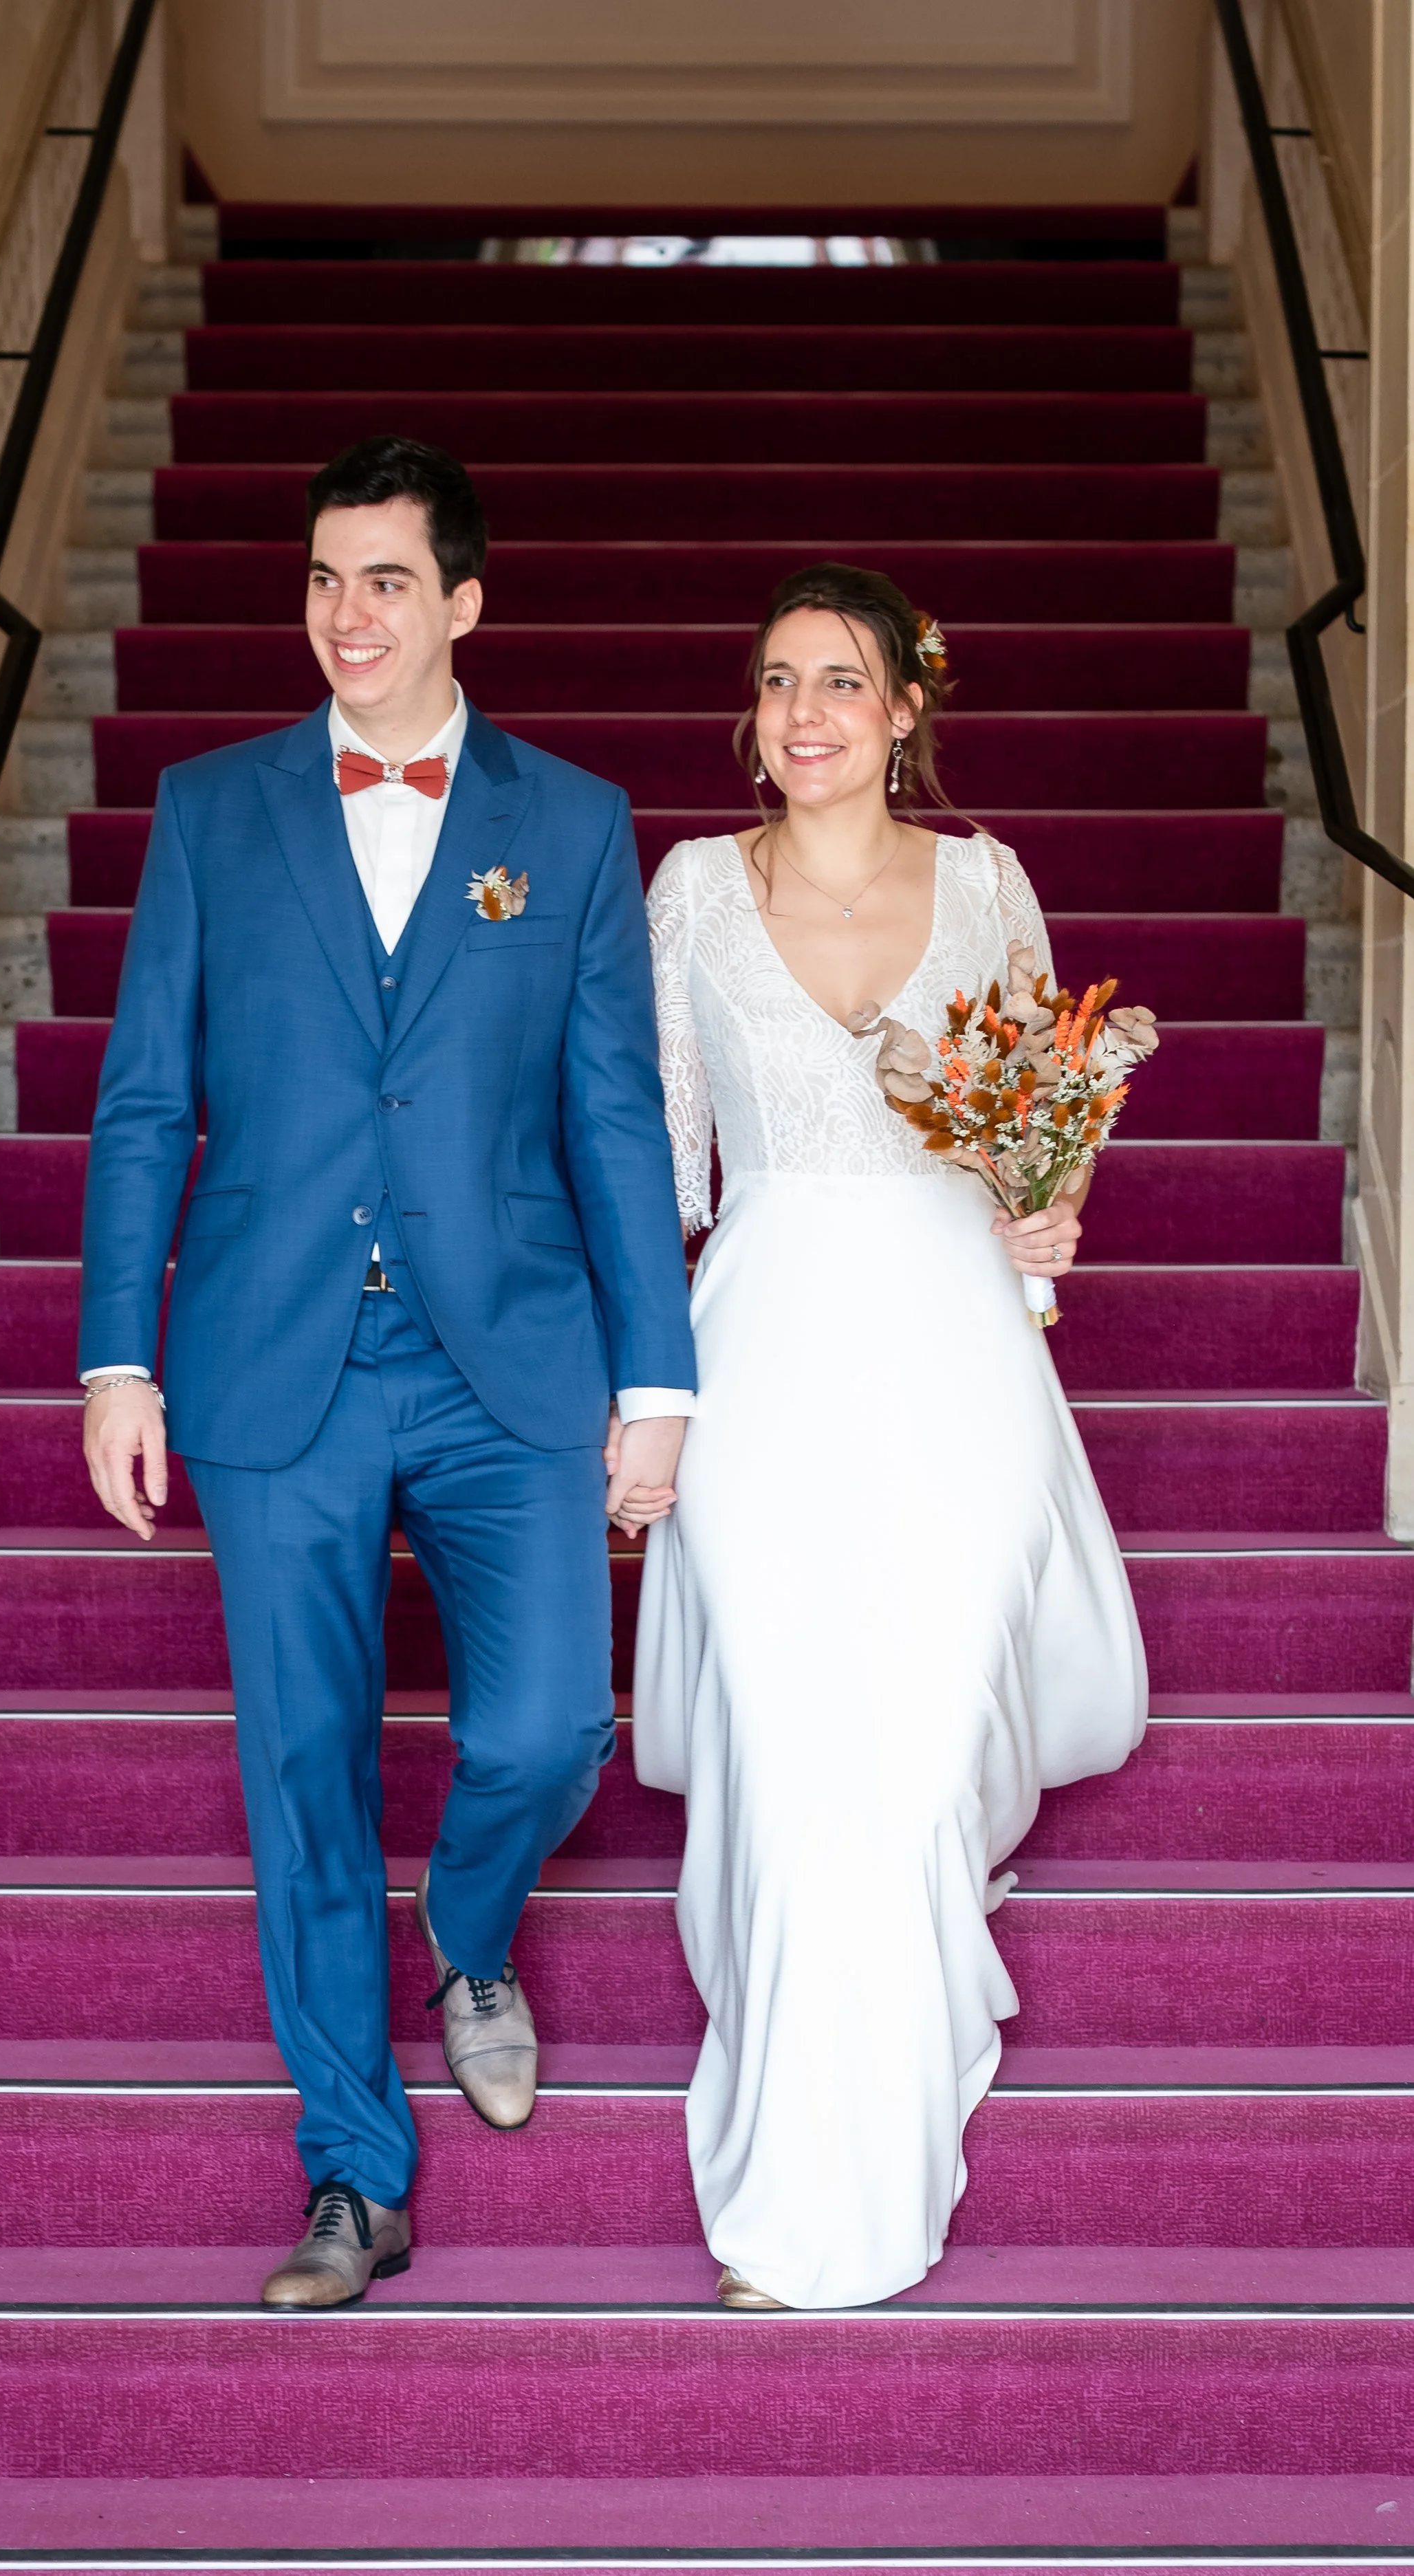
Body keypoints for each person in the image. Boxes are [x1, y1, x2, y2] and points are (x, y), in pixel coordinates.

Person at [78, 435, 696, 2307]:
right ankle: (354, 2171)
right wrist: (116, 1361)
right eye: (325, 579)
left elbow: (613, 1118)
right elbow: (144, 1102)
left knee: (547, 1728)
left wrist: (654, 1382)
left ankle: (471, 1922)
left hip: (505, 1352)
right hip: (273, 1362)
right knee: (302, 1773)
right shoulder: (212, 808)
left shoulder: (568, 822)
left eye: (388, 582)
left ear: (463, 603)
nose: (348, 616)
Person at [631, 562, 1147, 2313]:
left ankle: (881, 2102)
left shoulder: (985, 882)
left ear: (904, 709)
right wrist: (643, 1393)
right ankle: (803, 2200)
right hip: (761, 1344)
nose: (806, 713)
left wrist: (1049, 1211)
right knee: (797, 1752)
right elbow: (659, 1166)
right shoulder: (692, 890)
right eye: (779, 679)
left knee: (916, 1755)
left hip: (953, 1348)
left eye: (841, 680)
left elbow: (1042, 1122)